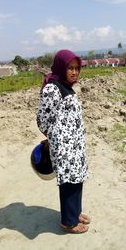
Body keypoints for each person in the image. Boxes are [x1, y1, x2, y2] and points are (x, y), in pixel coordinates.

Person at [36, 49, 90, 234]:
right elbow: (42, 120)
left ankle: (75, 213)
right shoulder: (53, 88)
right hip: (64, 148)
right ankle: (68, 222)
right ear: (61, 67)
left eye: (77, 68)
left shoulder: (66, 85)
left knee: (77, 180)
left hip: (75, 145)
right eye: (70, 68)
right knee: (68, 183)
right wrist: (54, 138)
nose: (74, 72)